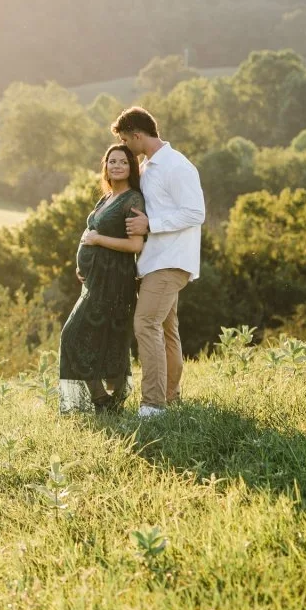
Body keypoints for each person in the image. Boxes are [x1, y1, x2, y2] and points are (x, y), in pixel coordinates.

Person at [113, 106, 205, 418]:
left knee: (145, 323)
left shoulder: (177, 166)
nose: (126, 147)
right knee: (166, 330)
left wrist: (151, 224)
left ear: (138, 135)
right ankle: (170, 398)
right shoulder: (151, 166)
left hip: (171, 260)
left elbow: (196, 212)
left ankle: (152, 405)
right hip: (154, 261)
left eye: (127, 140)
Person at [58, 143, 145, 413]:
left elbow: (135, 245)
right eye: (112, 161)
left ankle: (107, 399)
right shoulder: (106, 198)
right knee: (101, 338)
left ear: (131, 168)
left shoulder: (132, 199)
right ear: (105, 166)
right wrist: (84, 263)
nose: (116, 166)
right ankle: (107, 403)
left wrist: (97, 240)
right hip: (96, 279)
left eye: (123, 162)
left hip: (115, 281)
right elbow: (91, 236)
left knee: (78, 335)